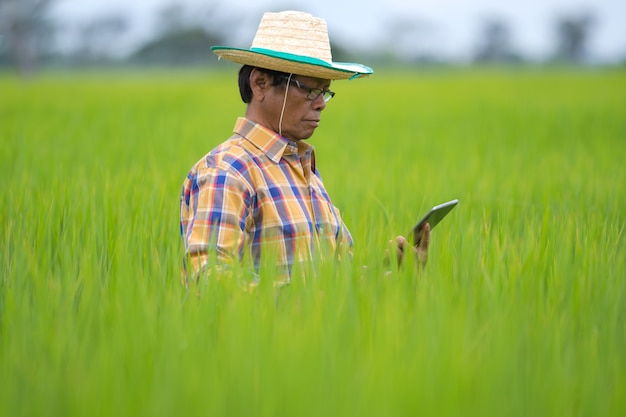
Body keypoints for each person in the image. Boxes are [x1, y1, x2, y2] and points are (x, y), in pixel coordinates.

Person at [179, 10, 430, 286]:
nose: (321, 102)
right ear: (260, 83)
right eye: (310, 89)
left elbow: (336, 276)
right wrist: (306, 298)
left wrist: (388, 277)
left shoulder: (302, 169)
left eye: (325, 92)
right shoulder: (228, 172)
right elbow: (209, 282)